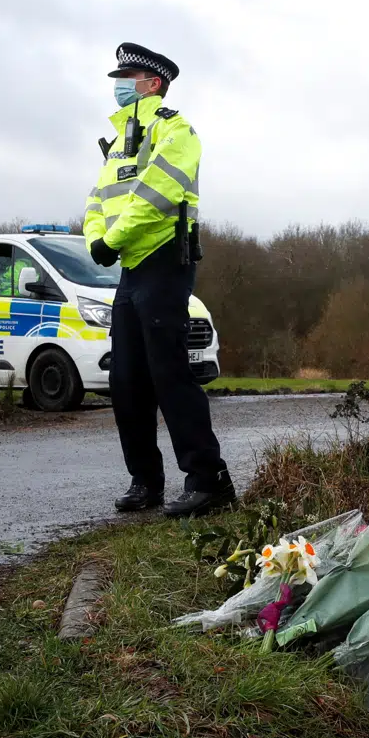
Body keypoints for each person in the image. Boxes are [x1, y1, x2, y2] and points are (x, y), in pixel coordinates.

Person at [84, 42, 234, 518]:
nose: (118, 85)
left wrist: (114, 237)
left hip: (166, 261)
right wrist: (97, 239)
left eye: (126, 76)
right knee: (126, 379)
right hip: (130, 268)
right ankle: (145, 482)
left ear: (153, 83)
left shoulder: (175, 130)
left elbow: (159, 193)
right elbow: (96, 199)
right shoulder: (118, 143)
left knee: (169, 372)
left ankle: (208, 481)